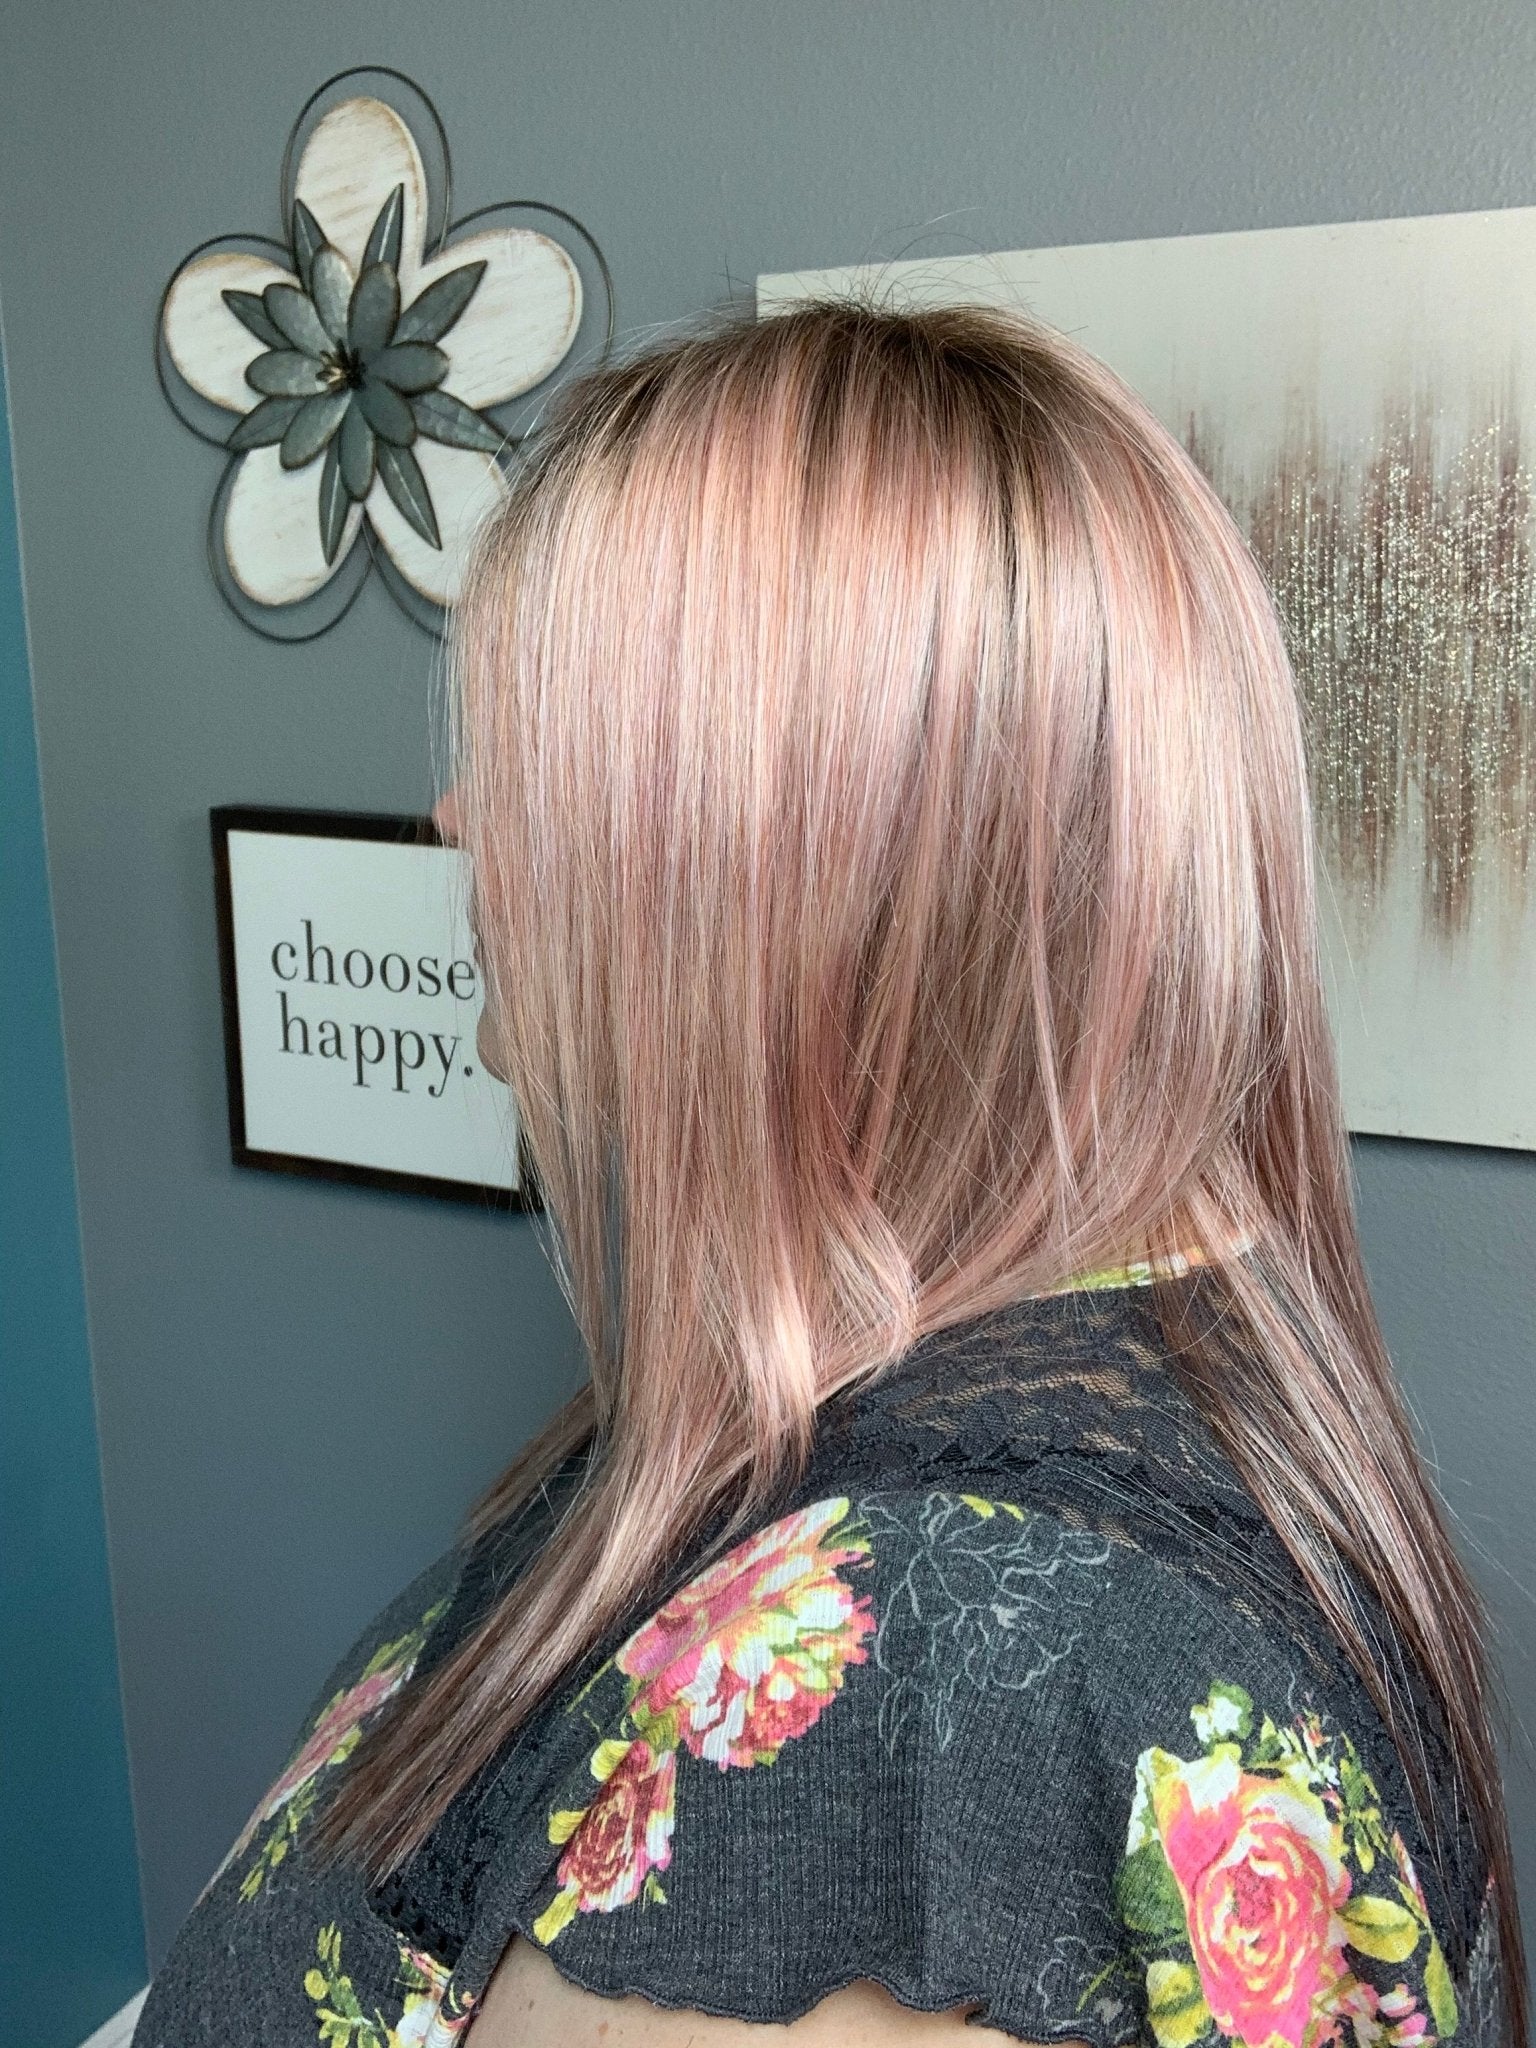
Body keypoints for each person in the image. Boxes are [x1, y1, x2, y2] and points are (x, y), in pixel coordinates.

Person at [136, 301, 1525, 2048]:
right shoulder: (1088, 1355)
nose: (462, 823)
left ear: (805, 855)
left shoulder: (929, 1722)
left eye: (547, 760)